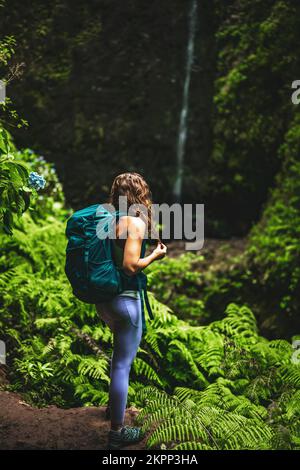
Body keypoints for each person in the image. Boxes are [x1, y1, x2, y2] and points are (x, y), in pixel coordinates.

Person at [95, 172, 167, 450]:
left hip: (106, 301)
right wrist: (154, 256)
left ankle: (114, 408)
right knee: (123, 364)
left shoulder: (107, 219)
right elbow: (130, 265)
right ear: (140, 195)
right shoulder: (135, 223)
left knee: (118, 358)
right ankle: (117, 432)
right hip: (126, 300)